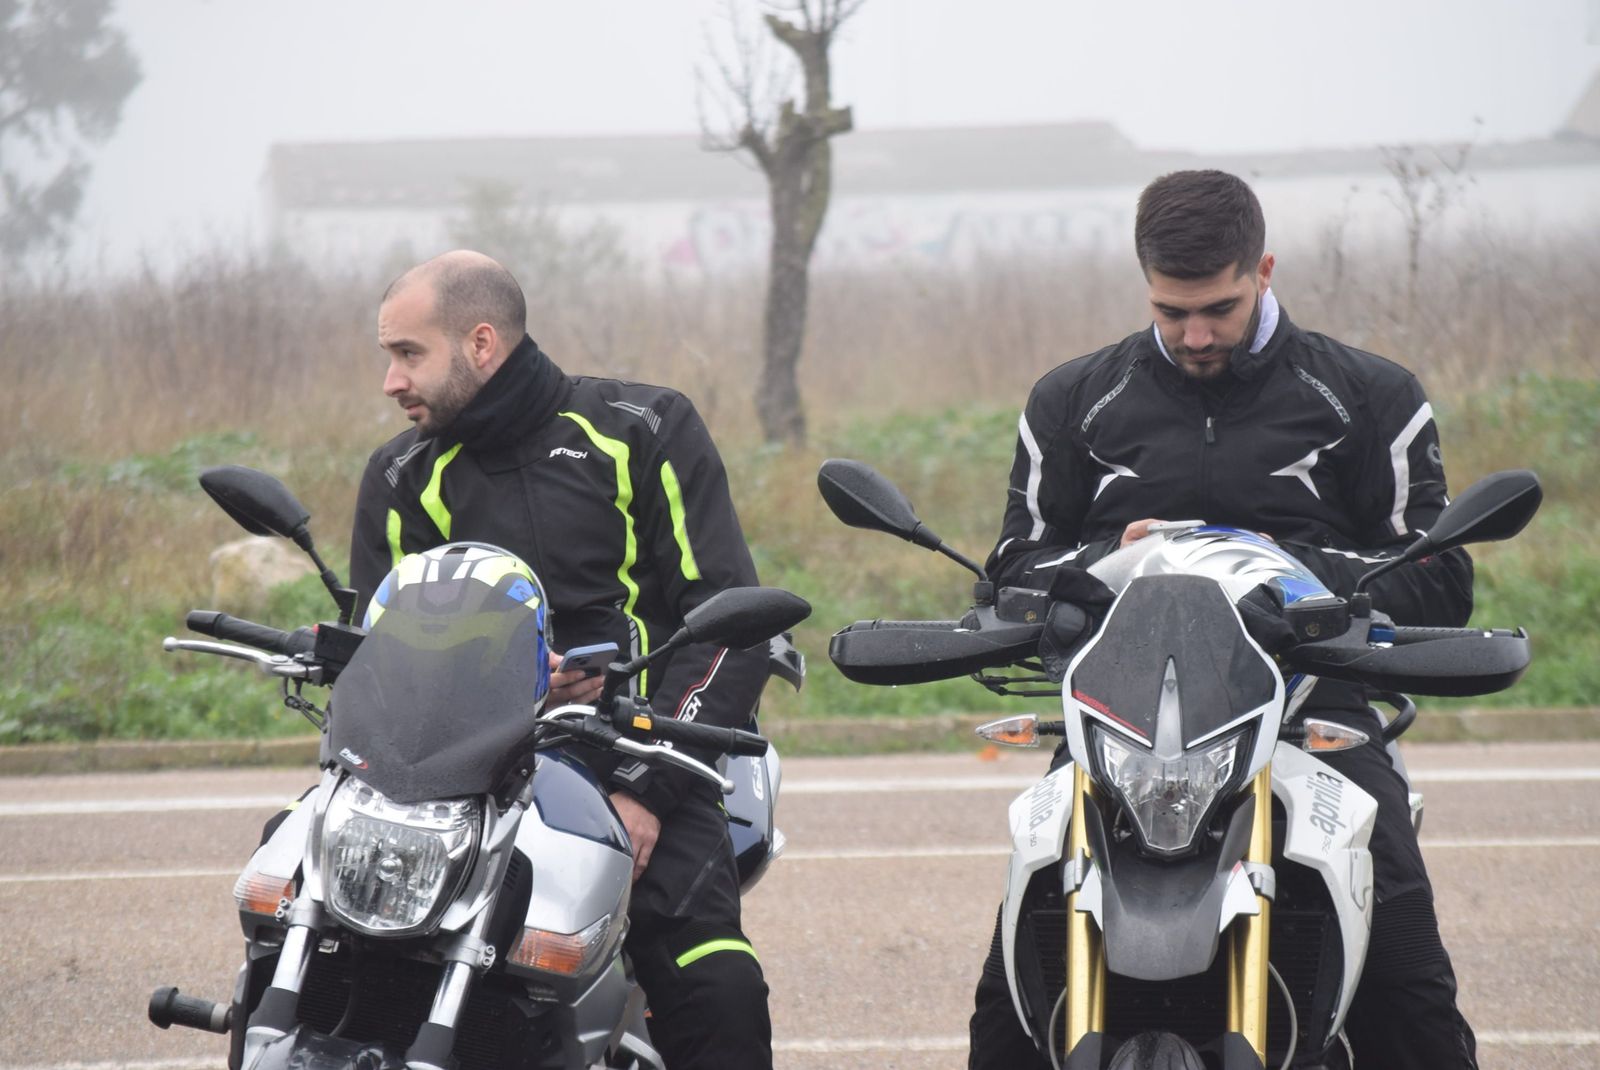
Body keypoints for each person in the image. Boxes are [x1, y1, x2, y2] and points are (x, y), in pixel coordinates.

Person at [968, 170, 1478, 1068]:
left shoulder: (1370, 396)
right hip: (1116, 724)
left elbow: (1437, 575)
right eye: (1172, 312)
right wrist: (1105, 561)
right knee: (1010, 1004)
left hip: (1318, 717)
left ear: (1265, 270)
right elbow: (1012, 571)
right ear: (1145, 285)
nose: (1196, 335)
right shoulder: (1072, 401)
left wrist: (1267, 566)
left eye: (1220, 309)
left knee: (1409, 985)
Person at [349, 249, 773, 1070]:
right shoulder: (402, 476)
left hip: (640, 752)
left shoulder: (644, 427)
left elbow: (729, 626)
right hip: (454, 770)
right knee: (308, 897)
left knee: (715, 989)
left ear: (480, 344)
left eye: (408, 355)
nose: (391, 383)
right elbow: (378, 649)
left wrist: (644, 787)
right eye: (388, 357)